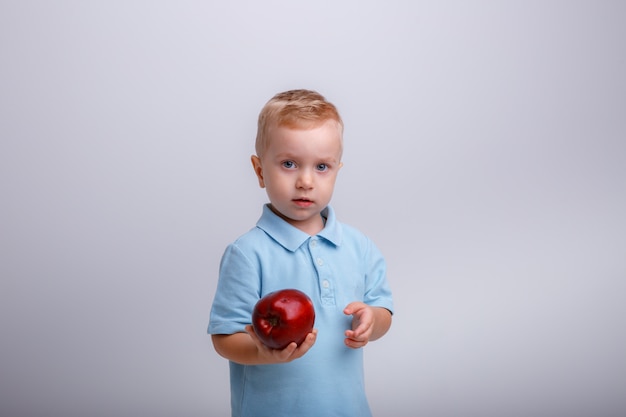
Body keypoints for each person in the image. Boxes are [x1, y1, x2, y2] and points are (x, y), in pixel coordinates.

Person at [208, 89, 394, 417]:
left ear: (338, 169)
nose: (305, 181)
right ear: (260, 170)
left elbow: (383, 310)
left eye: (322, 166)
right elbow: (224, 338)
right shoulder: (248, 253)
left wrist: (372, 321)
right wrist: (263, 353)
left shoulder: (358, 246)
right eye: (289, 164)